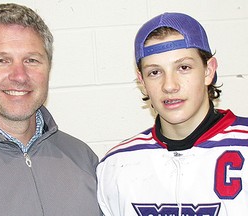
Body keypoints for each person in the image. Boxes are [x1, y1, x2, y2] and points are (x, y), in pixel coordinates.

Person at [97, 12, 248, 215]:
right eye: (155, 72)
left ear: (208, 70)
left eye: (183, 67)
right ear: (141, 81)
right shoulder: (115, 166)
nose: (169, 85)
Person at [0, 3, 102, 215]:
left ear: (48, 68)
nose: (19, 75)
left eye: (31, 60)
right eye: (1, 60)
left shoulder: (83, 158)